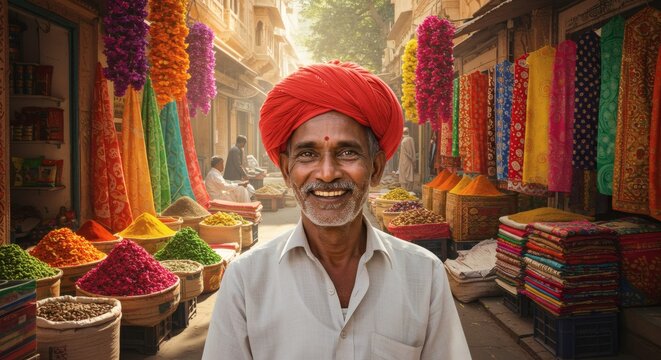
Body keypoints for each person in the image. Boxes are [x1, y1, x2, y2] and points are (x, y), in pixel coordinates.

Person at [202, 61, 470, 359]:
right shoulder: (245, 279)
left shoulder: (424, 274)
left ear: (377, 168)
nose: (327, 174)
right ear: (287, 171)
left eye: (347, 152)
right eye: (307, 154)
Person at [398, 127, 416, 191]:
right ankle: (409, 190)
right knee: (409, 174)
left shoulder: (403, 141)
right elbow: (413, 150)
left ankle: (405, 191)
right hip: (409, 160)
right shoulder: (411, 139)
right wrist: (413, 159)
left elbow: (405, 152)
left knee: (404, 174)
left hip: (404, 160)